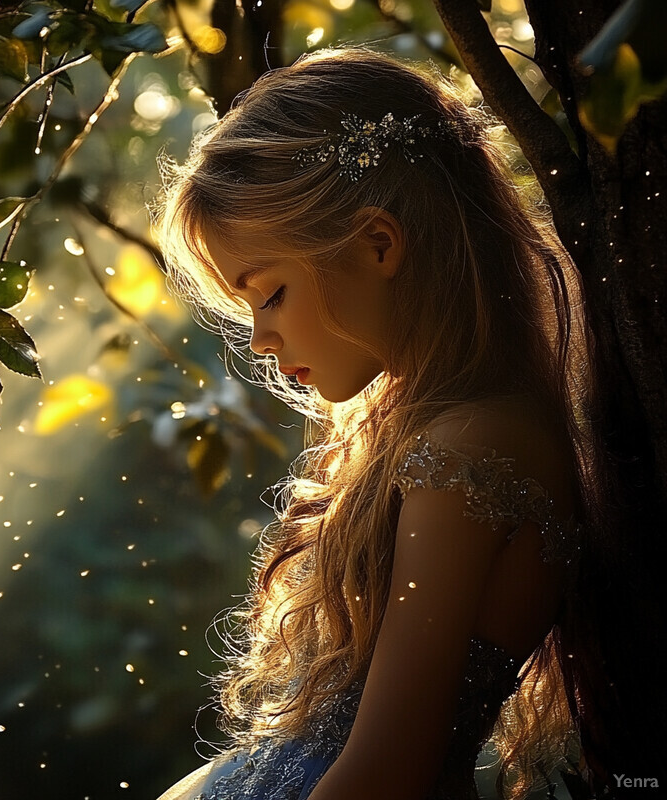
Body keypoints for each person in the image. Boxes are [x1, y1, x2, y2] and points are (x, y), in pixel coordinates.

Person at [153, 47, 604, 800]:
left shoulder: (467, 450)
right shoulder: (449, 427)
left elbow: (387, 772)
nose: (260, 341)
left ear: (378, 244)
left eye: (269, 295)